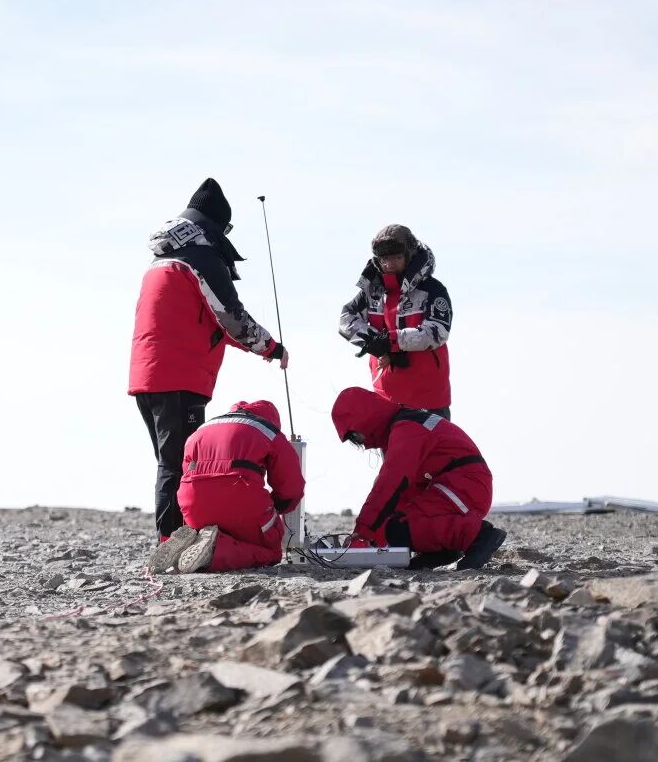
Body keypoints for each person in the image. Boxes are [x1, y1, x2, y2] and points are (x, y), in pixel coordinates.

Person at [129, 178, 288, 540]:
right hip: (179, 377)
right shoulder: (199, 258)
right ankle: (171, 541)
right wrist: (270, 347)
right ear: (216, 225)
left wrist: (253, 345)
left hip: (148, 374)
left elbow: (206, 322)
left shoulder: (161, 260)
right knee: (180, 465)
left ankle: (176, 537)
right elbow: (231, 317)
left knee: (170, 462)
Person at [330, 386, 504, 570]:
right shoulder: (405, 426)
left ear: (365, 419)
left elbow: (390, 484)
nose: (361, 442)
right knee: (398, 526)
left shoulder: (407, 429)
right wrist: (374, 543)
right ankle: (441, 549)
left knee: (397, 528)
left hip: (465, 487)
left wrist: (363, 532)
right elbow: (402, 496)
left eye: (356, 435)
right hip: (459, 487)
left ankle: (479, 536)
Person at [147, 399, 304, 574]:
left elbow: (186, 474)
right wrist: (278, 506)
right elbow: (291, 487)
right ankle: (213, 550)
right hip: (241, 499)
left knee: (218, 525)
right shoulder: (269, 432)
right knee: (272, 551)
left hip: (195, 509)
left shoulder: (202, 429)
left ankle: (189, 542)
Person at [338, 224, 453, 418]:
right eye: (384, 259)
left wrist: (391, 341)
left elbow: (437, 332)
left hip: (429, 399)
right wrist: (374, 341)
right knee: (392, 449)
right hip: (386, 397)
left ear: (409, 256)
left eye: (396, 257)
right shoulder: (372, 291)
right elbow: (346, 318)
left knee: (433, 448)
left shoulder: (432, 289)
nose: (389, 264)